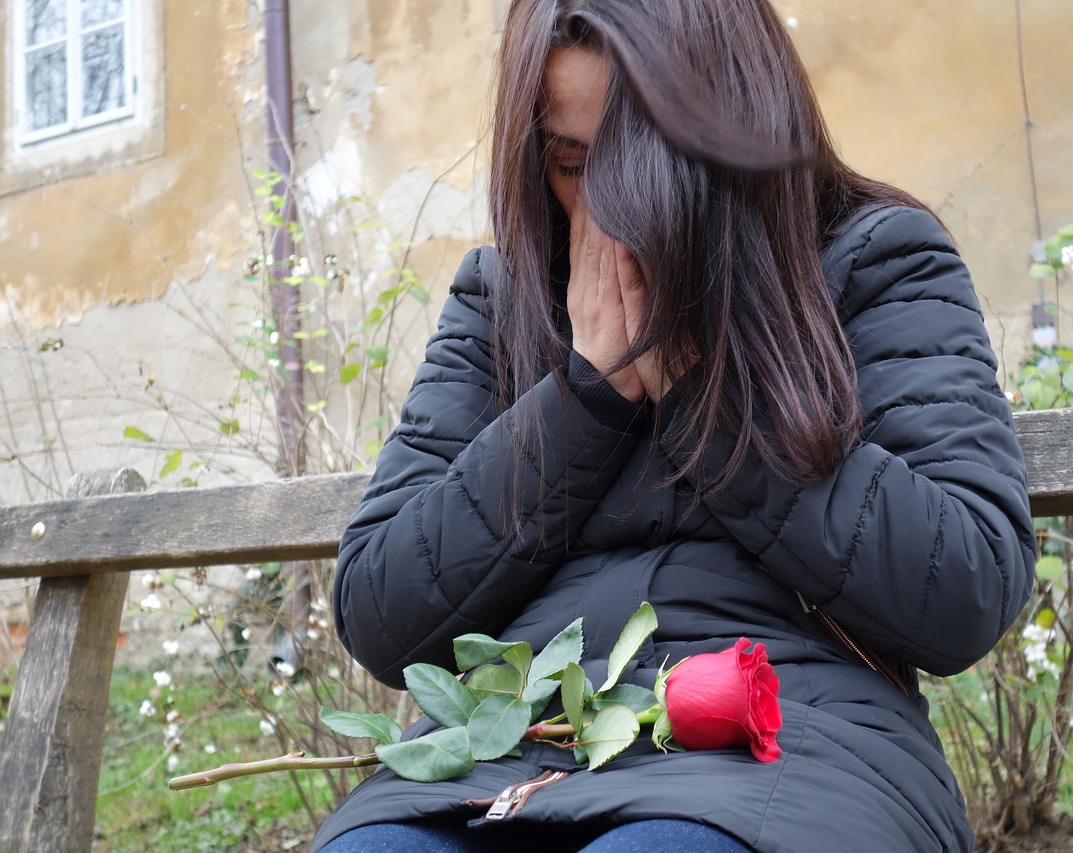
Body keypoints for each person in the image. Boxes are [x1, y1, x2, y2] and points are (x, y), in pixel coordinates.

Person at [312, 0, 1035, 850]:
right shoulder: (501, 301)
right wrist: (586, 396)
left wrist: (701, 390)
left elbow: (966, 585)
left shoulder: (875, 260)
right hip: (504, 755)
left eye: (638, 160)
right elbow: (380, 612)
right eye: (572, 163)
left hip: (786, 748)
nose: (612, 213)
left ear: (730, 121)